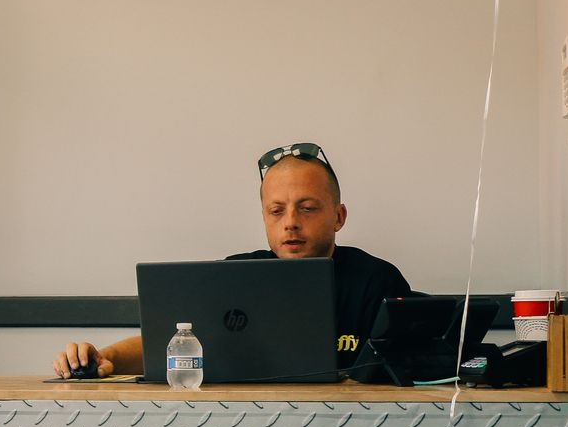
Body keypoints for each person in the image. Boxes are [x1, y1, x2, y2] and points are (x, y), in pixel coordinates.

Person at [54, 142, 411, 379]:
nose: (290, 222)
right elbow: (177, 343)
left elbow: (411, 374)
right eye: (276, 210)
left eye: (307, 208)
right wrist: (104, 356)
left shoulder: (378, 281)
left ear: (339, 216)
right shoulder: (236, 277)